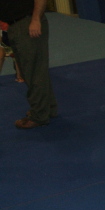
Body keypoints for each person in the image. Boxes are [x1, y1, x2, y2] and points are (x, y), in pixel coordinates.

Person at [0, 0, 58, 129]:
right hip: (15, 26)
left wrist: (35, 19)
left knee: (33, 73)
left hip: (27, 24)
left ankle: (39, 116)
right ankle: (47, 108)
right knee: (35, 71)